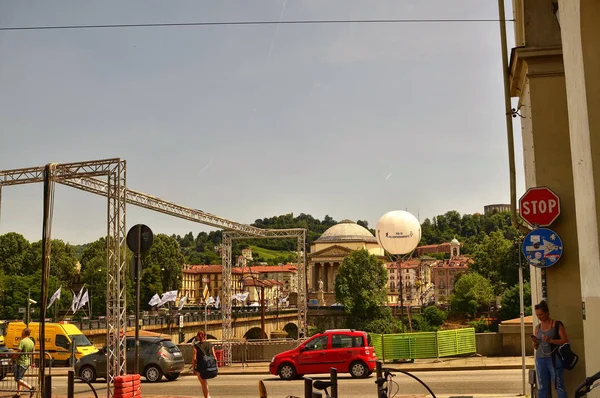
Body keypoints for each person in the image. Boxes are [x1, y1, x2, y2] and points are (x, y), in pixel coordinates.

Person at [530, 300, 568, 398]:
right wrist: (535, 342)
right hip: (540, 358)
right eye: (537, 315)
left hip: (554, 358)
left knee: (559, 385)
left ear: (547, 313)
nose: (539, 317)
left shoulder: (556, 325)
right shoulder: (538, 327)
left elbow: (564, 340)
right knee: (542, 386)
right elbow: (536, 347)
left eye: (541, 314)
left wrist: (551, 340)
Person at [192, 330, 216, 398]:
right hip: (209, 366)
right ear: (205, 336)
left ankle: (206, 397)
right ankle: (208, 396)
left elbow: (194, 359)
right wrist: (216, 366)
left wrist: (194, 369)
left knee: (203, 383)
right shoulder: (210, 344)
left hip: (201, 367)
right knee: (205, 382)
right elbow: (214, 357)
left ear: (197, 337)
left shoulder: (196, 346)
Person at [12, 328, 35, 398]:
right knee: (20, 378)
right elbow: (33, 353)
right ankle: (18, 393)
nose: (21, 333)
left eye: (22, 332)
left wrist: (12, 359)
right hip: (27, 362)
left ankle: (31, 388)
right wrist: (33, 362)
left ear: (24, 333)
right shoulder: (32, 342)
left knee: (17, 379)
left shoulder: (22, 341)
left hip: (21, 362)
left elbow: (18, 352)